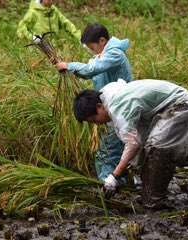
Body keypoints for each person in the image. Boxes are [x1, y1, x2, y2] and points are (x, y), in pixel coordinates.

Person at [73, 79, 188, 210]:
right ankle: (150, 196)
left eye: (94, 120)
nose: (98, 124)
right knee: (149, 149)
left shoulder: (118, 107)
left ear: (99, 106)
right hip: (166, 108)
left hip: (180, 104)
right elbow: (137, 142)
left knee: (156, 148)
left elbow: (133, 144)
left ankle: (154, 200)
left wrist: (114, 177)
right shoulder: (110, 97)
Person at [56, 23, 134, 183]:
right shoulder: (103, 55)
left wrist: (69, 65)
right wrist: (69, 69)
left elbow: (92, 69)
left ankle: (108, 183)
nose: (92, 52)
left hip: (118, 109)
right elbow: (89, 73)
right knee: (109, 148)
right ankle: (119, 180)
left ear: (102, 40)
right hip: (107, 110)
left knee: (109, 149)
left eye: (92, 48)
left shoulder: (114, 54)